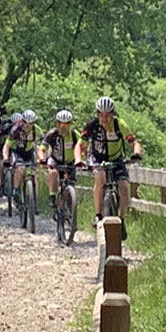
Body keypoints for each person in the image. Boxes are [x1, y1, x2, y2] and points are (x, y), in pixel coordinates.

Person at [75, 96, 143, 234]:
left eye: (108, 115)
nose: (105, 119)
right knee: (100, 177)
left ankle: (122, 219)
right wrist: (78, 159)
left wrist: (136, 153)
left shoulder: (120, 125)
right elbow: (79, 145)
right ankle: (98, 215)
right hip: (97, 158)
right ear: (98, 114)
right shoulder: (92, 126)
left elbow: (134, 142)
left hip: (116, 158)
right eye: (102, 115)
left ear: (113, 114)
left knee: (124, 186)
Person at [41, 109, 81, 212]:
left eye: (66, 123)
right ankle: (52, 196)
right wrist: (42, 159)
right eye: (61, 123)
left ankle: (72, 217)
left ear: (70, 124)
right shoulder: (52, 134)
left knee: (71, 189)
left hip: (70, 162)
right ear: (57, 123)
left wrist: (81, 159)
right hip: (55, 160)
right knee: (53, 172)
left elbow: (82, 146)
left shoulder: (74, 134)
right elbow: (42, 148)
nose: (63, 126)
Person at [3, 109, 40, 209]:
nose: (28, 125)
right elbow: (6, 146)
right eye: (25, 122)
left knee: (33, 174)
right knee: (20, 169)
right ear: (22, 121)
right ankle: (15, 191)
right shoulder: (15, 130)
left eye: (31, 123)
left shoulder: (36, 130)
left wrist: (42, 158)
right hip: (17, 152)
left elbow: (43, 145)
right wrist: (6, 159)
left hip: (29, 152)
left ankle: (34, 202)